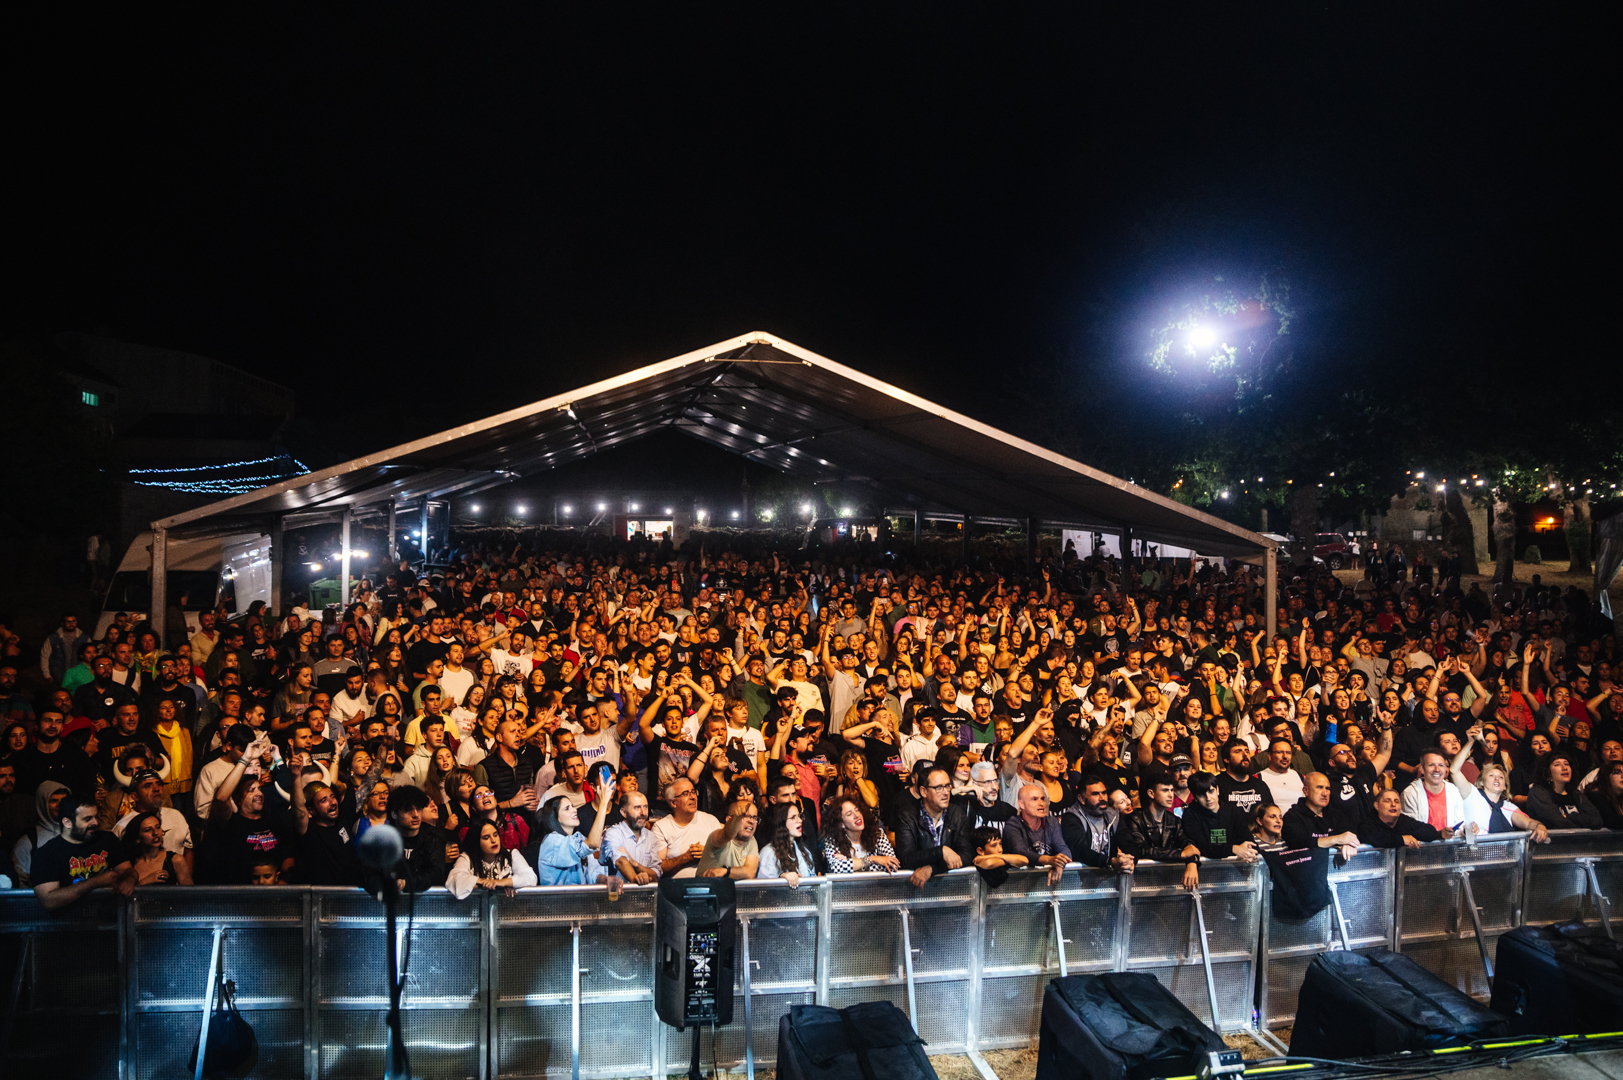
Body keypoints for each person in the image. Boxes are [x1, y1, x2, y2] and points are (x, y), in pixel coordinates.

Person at [32, 793, 135, 910]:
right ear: (67, 823)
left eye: (96, 817)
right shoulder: (47, 853)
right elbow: (48, 900)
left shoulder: (107, 839)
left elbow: (127, 870)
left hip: (110, 920)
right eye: (87, 819)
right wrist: (94, 883)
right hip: (70, 924)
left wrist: (129, 879)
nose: (95, 823)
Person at [1449, 737, 1548, 842]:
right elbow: (1454, 770)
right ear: (1482, 782)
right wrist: (1471, 741)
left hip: (1505, 856)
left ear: (1505, 785)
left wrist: (1539, 826)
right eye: (1491, 775)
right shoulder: (1472, 794)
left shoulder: (1508, 806)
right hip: (1475, 855)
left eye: (1501, 777)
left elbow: (1528, 823)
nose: (1497, 778)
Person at [894, 766, 972, 887]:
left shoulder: (957, 814)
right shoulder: (907, 816)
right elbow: (907, 858)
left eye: (947, 786)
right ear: (924, 791)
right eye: (939, 788)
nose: (946, 792)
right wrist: (941, 851)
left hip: (951, 888)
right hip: (914, 888)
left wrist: (932, 869)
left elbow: (966, 855)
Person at [1125, 771, 1202, 888]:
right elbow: (1141, 850)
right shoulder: (1134, 819)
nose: (1171, 795)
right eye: (1165, 790)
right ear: (1151, 793)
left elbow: (1188, 844)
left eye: (1172, 790)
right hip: (1140, 882)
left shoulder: (1175, 820)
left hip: (1168, 881)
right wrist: (1181, 854)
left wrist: (1192, 863)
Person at [533, 784, 614, 886]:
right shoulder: (552, 841)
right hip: (558, 901)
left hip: (580, 900)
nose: (574, 810)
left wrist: (604, 879)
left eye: (573, 806)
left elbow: (591, 872)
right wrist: (603, 803)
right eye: (567, 808)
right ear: (555, 818)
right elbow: (592, 843)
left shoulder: (578, 838)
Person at [651, 778, 723, 879]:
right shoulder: (661, 827)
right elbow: (657, 868)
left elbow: (726, 856)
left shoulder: (711, 820)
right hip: (676, 887)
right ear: (673, 803)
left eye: (693, 792)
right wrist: (685, 858)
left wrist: (708, 853)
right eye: (685, 793)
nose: (693, 797)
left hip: (710, 883)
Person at [1181, 772, 1260, 863]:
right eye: (1202, 795)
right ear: (1195, 797)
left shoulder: (1232, 811)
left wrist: (1249, 851)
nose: (1208, 798)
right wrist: (1233, 849)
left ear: (1217, 790)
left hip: (1233, 868)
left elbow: (1248, 839)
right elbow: (1200, 847)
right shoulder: (1190, 814)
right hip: (1204, 869)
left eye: (1211, 791)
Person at [1001, 783, 1071, 885]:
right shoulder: (1012, 825)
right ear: (1022, 804)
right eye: (1035, 799)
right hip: (1017, 885)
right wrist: (1049, 860)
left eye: (1042, 799)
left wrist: (1059, 865)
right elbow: (1019, 851)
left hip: (1046, 885)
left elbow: (1063, 848)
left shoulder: (1052, 822)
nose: (1041, 803)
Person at [448, 819, 538, 899]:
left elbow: (530, 877)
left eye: (495, 835)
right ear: (476, 841)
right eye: (486, 838)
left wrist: (502, 883)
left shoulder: (512, 854)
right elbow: (455, 878)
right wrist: (486, 883)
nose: (493, 840)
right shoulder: (467, 857)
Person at [1060, 776, 1135, 873]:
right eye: (1095, 794)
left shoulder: (1113, 815)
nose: (1102, 798)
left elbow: (1128, 843)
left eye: (1104, 793)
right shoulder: (1072, 817)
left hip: (1108, 878)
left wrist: (1129, 860)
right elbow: (1080, 851)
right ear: (1081, 798)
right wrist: (1109, 861)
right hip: (1079, 879)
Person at [820, 794, 900, 874]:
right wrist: (873, 859)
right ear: (841, 824)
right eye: (849, 814)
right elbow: (837, 868)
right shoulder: (833, 841)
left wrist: (850, 864)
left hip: (877, 886)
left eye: (857, 810)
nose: (856, 815)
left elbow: (893, 865)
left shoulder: (878, 835)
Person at [1525, 750, 1603, 830]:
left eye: (1566, 764)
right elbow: (1557, 822)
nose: (1564, 768)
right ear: (1547, 772)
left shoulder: (1576, 794)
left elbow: (1597, 821)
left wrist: (1570, 816)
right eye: (1557, 765)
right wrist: (1583, 824)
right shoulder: (1538, 792)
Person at [1400, 749, 1465, 839]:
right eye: (1431, 765)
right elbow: (1410, 828)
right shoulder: (1410, 793)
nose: (1437, 770)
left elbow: (1459, 823)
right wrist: (1438, 834)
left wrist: (1466, 830)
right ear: (1422, 769)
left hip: (1450, 849)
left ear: (1446, 768)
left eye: (1441, 765)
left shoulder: (1453, 790)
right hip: (1421, 850)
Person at [602, 791, 661, 884]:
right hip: (616, 895)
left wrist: (636, 865)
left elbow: (655, 876)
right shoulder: (613, 833)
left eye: (645, 807)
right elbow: (620, 861)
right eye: (637, 807)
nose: (643, 812)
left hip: (645, 897)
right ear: (623, 812)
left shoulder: (651, 837)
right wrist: (636, 880)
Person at [694, 799, 761, 879]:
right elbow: (727, 834)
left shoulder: (751, 840)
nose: (752, 821)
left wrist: (725, 871)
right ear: (729, 820)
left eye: (754, 817)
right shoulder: (716, 836)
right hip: (707, 889)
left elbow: (750, 872)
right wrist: (737, 819)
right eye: (745, 816)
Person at [756, 801, 820, 886]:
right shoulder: (768, 853)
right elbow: (763, 890)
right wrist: (781, 878)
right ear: (781, 823)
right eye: (793, 817)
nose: (800, 820)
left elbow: (813, 885)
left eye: (800, 816)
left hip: (804, 899)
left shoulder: (804, 851)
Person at [1357, 788, 1443, 849]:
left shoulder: (1403, 820)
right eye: (1387, 801)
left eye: (1396, 801)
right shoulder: (1368, 822)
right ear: (1377, 806)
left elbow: (1430, 832)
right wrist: (1402, 839)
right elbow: (1373, 837)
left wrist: (1440, 834)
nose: (1393, 804)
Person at [124, 810, 193, 885]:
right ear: (137, 838)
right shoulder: (128, 863)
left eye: (158, 827)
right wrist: (145, 882)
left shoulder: (176, 860)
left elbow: (188, 894)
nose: (155, 833)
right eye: (148, 830)